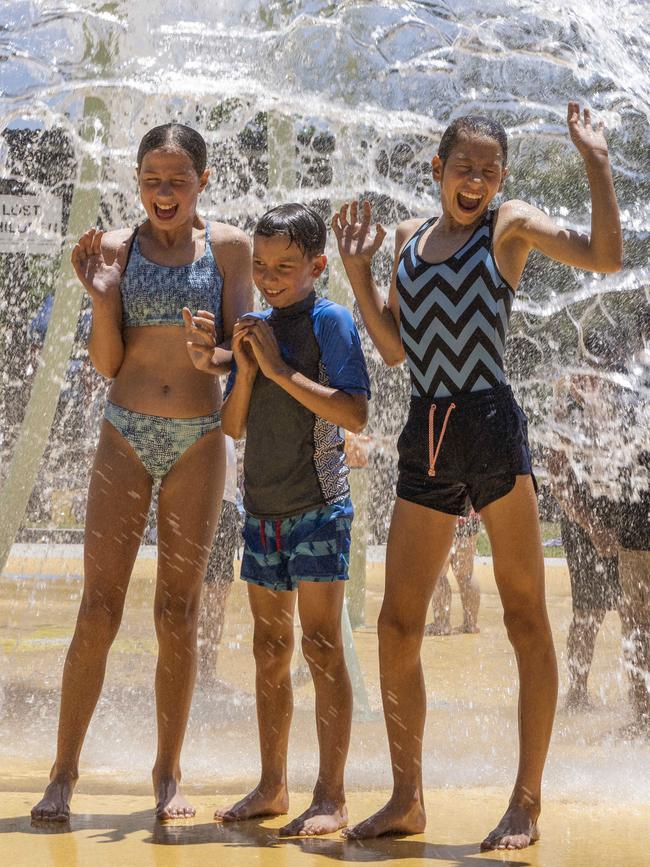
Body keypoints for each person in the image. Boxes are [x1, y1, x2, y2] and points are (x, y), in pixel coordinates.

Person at [332, 102, 622, 849]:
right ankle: (407, 797)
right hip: (426, 432)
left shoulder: (508, 226)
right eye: (465, 167)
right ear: (438, 169)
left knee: (526, 614)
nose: (478, 181)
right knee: (398, 623)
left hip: (491, 428)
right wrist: (360, 277)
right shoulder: (405, 240)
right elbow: (395, 349)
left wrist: (596, 162)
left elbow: (605, 256)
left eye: (491, 171)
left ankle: (526, 800)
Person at [31, 123, 253, 822]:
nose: (164, 192)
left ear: (204, 183)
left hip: (198, 438)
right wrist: (102, 297)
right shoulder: (117, 252)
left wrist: (211, 354)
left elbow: (242, 353)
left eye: (178, 180)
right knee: (98, 607)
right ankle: (63, 771)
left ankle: (167, 772)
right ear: (136, 181)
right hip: (125, 434)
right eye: (152, 179)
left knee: (178, 611)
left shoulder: (229, 248)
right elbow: (105, 363)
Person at [186, 203, 370, 836]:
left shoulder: (331, 323)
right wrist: (242, 368)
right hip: (262, 514)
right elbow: (233, 424)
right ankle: (272, 784)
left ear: (317, 266)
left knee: (321, 648)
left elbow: (354, 415)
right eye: (260, 266)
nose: (267, 278)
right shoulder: (254, 326)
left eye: (285, 267)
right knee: (270, 649)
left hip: (320, 510)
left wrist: (278, 369)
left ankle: (331, 793)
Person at [198, 433, 242, 685]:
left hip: (225, 497)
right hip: (196, 490)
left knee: (217, 591)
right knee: (194, 590)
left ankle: (206, 672)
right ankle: (192, 670)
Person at [427, 511, 481, 635]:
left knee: (438, 573)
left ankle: (441, 624)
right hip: (469, 516)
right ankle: (470, 624)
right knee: (467, 574)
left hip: (444, 512)